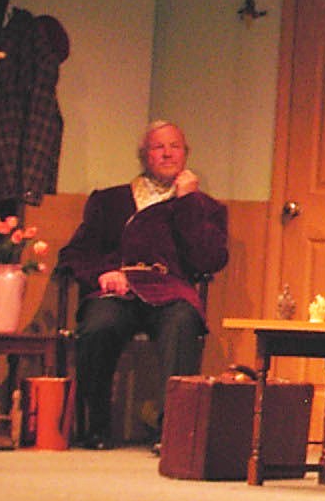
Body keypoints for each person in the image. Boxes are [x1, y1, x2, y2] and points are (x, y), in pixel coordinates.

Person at [57, 121, 229, 448]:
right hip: (118, 291)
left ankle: (172, 432)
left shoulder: (205, 207)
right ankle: (96, 426)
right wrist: (104, 273)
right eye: (158, 147)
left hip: (169, 290)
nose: (167, 153)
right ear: (144, 156)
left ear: (185, 154)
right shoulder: (109, 201)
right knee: (98, 326)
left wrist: (188, 203)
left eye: (174, 146)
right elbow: (75, 254)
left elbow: (209, 260)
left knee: (183, 322)